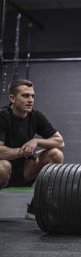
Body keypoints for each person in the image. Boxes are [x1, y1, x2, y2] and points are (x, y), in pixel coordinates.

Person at [0, 78, 64, 220]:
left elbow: (60, 141)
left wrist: (36, 141)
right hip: (4, 171)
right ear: (12, 98)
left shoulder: (35, 116)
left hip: (25, 170)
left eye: (32, 96)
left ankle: (36, 207)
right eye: (25, 96)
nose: (30, 100)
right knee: (3, 166)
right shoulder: (3, 116)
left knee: (55, 154)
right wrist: (23, 151)